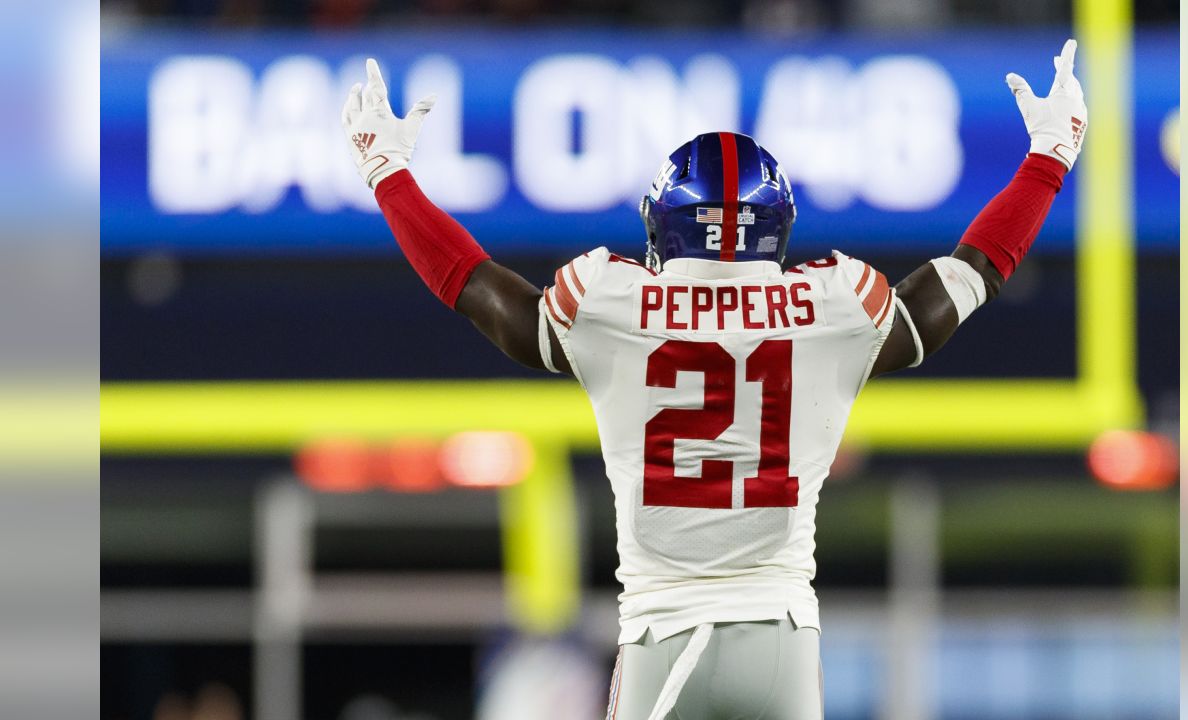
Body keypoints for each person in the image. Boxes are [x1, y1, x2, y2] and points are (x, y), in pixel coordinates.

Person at [341, 39, 1087, 720]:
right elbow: (967, 275)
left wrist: (391, 177)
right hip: (785, 639)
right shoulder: (833, 303)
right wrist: (1047, 159)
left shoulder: (611, 300)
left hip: (663, 632)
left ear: (662, 221)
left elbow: (477, 288)